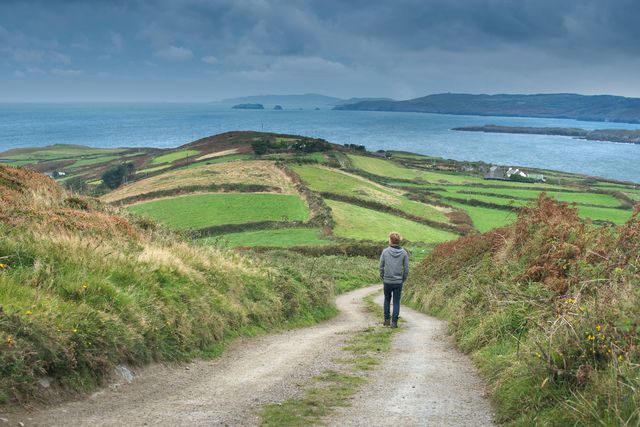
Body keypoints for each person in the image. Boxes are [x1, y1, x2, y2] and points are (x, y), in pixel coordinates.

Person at [379, 232, 409, 328]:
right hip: (398, 282)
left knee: (387, 300)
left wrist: (383, 276)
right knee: (396, 302)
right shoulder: (404, 252)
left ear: (391, 240)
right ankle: (394, 323)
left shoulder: (385, 252)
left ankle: (387, 320)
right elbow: (406, 268)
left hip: (387, 281)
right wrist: (403, 278)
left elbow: (381, 266)